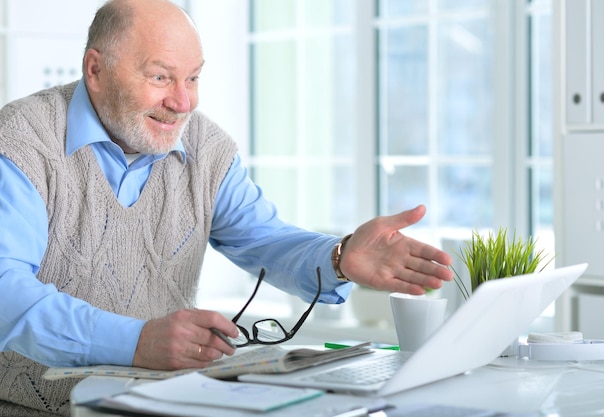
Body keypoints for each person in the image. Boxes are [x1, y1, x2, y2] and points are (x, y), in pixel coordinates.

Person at [0, 0, 453, 415]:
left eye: (193, 78)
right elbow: (6, 292)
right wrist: (137, 342)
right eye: (160, 77)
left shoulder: (206, 148)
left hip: (159, 407)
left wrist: (338, 257)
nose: (182, 103)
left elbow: (264, 239)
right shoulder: (22, 141)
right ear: (95, 70)